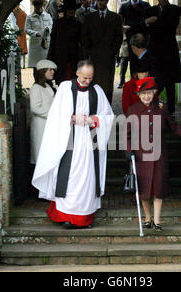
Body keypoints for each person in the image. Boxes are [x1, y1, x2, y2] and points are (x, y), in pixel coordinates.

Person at [32, 60, 114, 228]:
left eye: (90, 78)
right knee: (69, 176)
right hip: (68, 139)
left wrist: (90, 119)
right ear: (77, 73)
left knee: (87, 177)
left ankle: (84, 218)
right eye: (84, 77)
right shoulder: (64, 88)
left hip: (90, 142)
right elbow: (55, 113)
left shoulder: (97, 91)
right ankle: (66, 217)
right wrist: (71, 118)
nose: (87, 81)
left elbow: (108, 116)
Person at [125, 77, 181, 231]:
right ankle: (147, 218)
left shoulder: (161, 108)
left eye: (149, 93)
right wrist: (129, 151)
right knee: (144, 190)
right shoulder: (133, 110)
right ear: (138, 94)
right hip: (140, 156)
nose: (146, 96)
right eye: (143, 93)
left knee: (158, 187)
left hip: (159, 156)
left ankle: (157, 220)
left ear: (154, 92)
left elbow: (174, 127)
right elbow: (128, 135)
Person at [142, 0, 181, 114]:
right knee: (155, 83)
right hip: (155, 53)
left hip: (169, 52)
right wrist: (147, 22)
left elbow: (170, 26)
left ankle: (171, 112)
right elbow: (145, 29)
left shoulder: (175, 9)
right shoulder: (150, 10)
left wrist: (153, 23)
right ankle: (153, 110)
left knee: (170, 84)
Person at [81, 0, 123, 104]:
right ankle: (93, 107)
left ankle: (107, 107)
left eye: (103, 0)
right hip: (94, 57)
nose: (100, 2)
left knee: (107, 85)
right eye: (98, 0)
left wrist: (112, 52)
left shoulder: (116, 18)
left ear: (107, 1)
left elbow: (118, 37)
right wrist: (91, 52)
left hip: (108, 57)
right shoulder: (89, 17)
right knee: (93, 83)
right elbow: (84, 37)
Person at [30, 59, 57, 165]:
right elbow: (35, 108)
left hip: (49, 126)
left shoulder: (48, 86)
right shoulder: (36, 87)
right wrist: (53, 115)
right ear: (42, 71)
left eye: (53, 70)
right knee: (41, 158)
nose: (52, 72)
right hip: (40, 126)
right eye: (50, 70)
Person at [47, 3, 82, 84]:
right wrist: (50, 58)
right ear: (65, 11)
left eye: (73, 10)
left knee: (73, 81)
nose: (72, 12)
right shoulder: (58, 23)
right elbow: (53, 43)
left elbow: (81, 43)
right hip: (60, 58)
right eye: (70, 10)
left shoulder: (78, 24)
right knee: (61, 82)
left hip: (73, 58)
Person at [118, 0, 150, 86]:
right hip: (129, 39)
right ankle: (133, 83)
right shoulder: (124, 6)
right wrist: (123, 27)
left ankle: (144, 84)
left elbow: (149, 21)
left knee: (143, 60)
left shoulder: (146, 5)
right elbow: (118, 22)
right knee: (131, 61)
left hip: (143, 39)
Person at [26, 0, 53, 70]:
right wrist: (35, 33)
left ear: (42, 6)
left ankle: (46, 80)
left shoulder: (48, 16)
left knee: (46, 64)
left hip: (46, 43)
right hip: (35, 45)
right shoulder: (29, 17)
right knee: (36, 65)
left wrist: (48, 29)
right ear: (34, 6)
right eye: (36, 6)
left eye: (39, 5)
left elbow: (52, 26)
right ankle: (37, 80)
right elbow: (27, 29)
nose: (38, 7)